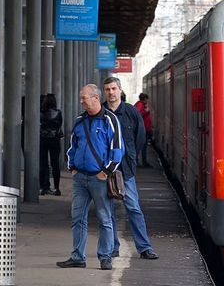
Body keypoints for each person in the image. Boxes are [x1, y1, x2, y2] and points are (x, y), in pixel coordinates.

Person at [58, 84, 124, 271]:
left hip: (99, 178)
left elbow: (117, 150)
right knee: (77, 218)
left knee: (105, 218)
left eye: (83, 98)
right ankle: (78, 256)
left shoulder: (110, 120)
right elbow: (72, 146)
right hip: (80, 178)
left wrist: (106, 172)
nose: (81, 101)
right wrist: (72, 168)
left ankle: (105, 257)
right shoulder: (80, 120)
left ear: (95, 98)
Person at [102, 77, 159, 260]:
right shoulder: (99, 113)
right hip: (104, 170)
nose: (111, 93)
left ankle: (144, 248)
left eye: (113, 89)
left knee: (133, 208)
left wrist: (131, 158)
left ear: (120, 90)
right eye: (107, 89)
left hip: (125, 169)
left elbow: (140, 138)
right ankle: (112, 247)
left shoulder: (131, 112)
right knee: (108, 210)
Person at [39, 93, 64, 196]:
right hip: (55, 140)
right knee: (55, 164)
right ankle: (57, 188)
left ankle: (43, 187)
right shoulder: (58, 113)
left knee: (43, 164)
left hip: (43, 139)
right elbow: (59, 124)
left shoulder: (41, 113)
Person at [134, 93, 153, 167]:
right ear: (144, 99)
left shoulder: (140, 104)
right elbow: (138, 114)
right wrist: (146, 111)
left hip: (145, 128)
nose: (147, 101)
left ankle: (141, 162)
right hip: (143, 129)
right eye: (146, 99)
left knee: (143, 146)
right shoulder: (140, 105)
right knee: (142, 146)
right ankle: (142, 162)